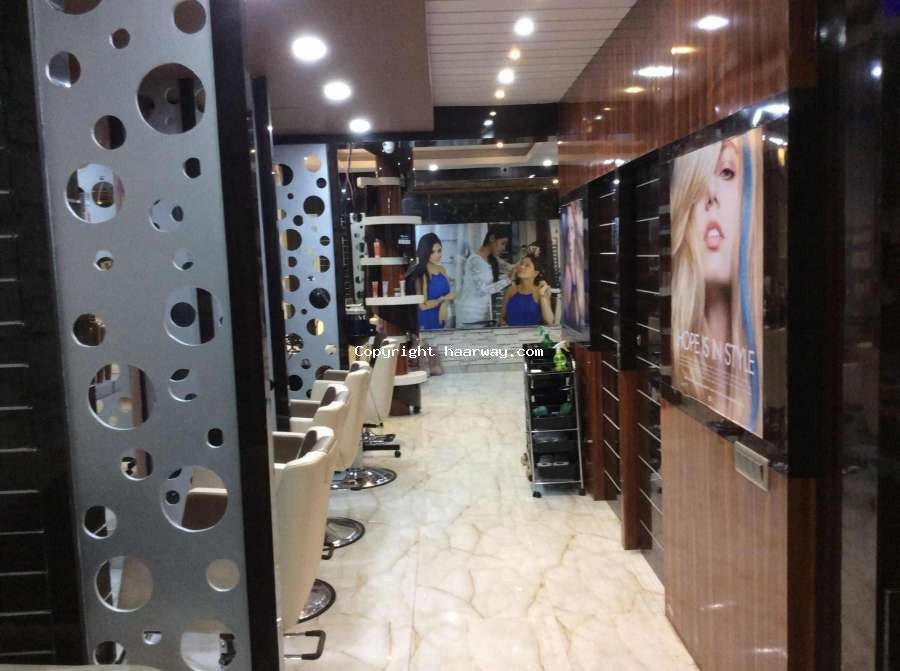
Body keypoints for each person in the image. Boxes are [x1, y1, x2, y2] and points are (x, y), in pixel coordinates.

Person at [670, 129, 763, 435]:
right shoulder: (680, 366)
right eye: (699, 180)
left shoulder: (765, 379)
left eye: (726, 172)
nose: (710, 194)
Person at [455, 226, 511, 326]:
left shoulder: (490, 259)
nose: (504, 248)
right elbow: (483, 290)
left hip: (482, 316)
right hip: (470, 317)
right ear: (492, 238)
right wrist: (508, 280)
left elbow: (510, 268)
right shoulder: (474, 260)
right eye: (502, 243)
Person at [408, 233, 454, 330]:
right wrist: (441, 301)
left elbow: (451, 294)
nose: (438, 255)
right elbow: (423, 305)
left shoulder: (442, 269)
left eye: (439, 250)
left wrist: (444, 304)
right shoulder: (421, 274)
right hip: (427, 320)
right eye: (432, 252)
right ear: (425, 252)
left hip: (443, 318)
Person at [500, 254, 555, 326]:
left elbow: (549, 321)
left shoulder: (540, 291)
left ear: (535, 273)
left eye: (527, 265)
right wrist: (502, 323)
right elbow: (502, 318)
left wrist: (542, 295)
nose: (521, 267)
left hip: (533, 333)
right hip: (512, 332)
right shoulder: (510, 290)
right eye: (521, 264)